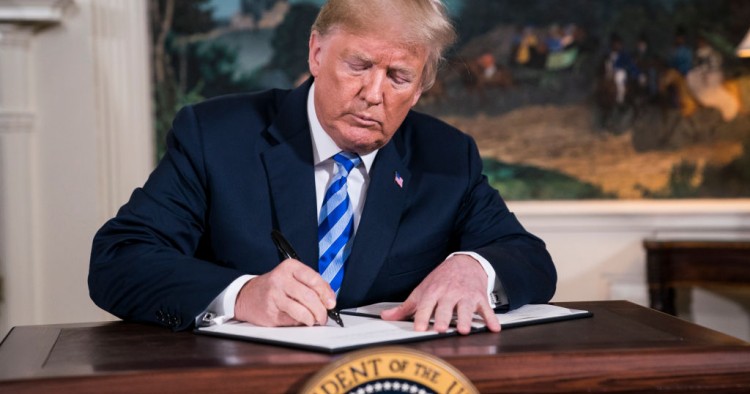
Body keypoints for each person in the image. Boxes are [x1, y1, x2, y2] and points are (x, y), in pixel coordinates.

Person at [88, 0, 556, 336]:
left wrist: (474, 267)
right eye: (359, 65)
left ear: (419, 89)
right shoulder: (216, 136)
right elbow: (119, 261)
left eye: (398, 77)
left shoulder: (447, 157)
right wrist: (242, 294)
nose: (374, 93)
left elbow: (529, 258)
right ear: (316, 53)